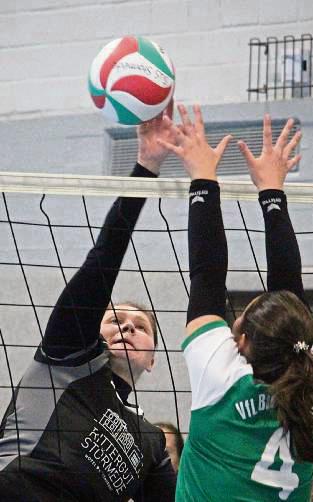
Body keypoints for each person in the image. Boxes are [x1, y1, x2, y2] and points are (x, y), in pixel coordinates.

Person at [159, 104, 313, 501]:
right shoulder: (310, 383)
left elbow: (217, 277)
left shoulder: (310, 379)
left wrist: (264, 189)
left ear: (241, 344)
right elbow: (210, 279)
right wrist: (207, 177)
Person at [0, 109, 177, 501]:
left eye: (141, 326)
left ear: (153, 359)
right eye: (115, 320)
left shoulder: (149, 441)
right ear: (92, 332)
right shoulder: (69, 357)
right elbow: (103, 259)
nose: (128, 327)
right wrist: (146, 168)